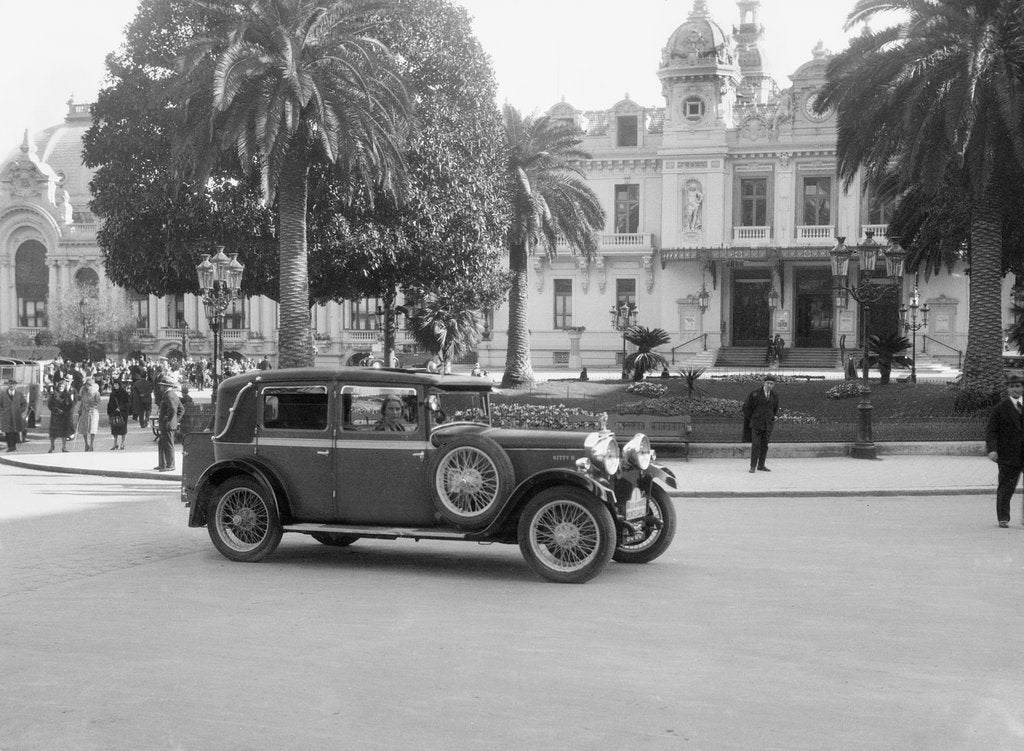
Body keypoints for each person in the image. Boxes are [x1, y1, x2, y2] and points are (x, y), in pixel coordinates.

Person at [985, 374, 1024, 528]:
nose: (1015, 389)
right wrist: (992, 450)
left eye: (1018, 386)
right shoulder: (1000, 408)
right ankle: (1003, 518)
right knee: (1006, 487)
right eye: (1012, 387)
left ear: (1022, 388)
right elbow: (991, 431)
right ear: (1008, 389)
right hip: (1008, 455)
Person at [742, 373, 779, 473]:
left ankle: (761, 465)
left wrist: (770, 418)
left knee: (764, 445)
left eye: (772, 384)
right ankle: (753, 466)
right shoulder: (755, 393)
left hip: (767, 425)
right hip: (757, 424)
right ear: (764, 383)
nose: (769, 385)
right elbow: (746, 408)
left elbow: (774, 409)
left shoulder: (775, 395)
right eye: (768, 383)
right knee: (756, 445)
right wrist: (753, 418)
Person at [155, 374, 185, 472]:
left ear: (166, 386)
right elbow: (181, 409)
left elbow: (173, 410)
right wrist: (175, 420)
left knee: (168, 445)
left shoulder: (169, 395)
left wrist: (168, 419)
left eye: (161, 385)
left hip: (167, 425)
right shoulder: (171, 394)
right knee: (162, 443)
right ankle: (163, 464)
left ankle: (170, 465)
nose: (160, 387)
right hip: (168, 424)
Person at [47, 377, 76, 453]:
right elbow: (49, 405)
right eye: (60, 386)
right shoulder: (53, 395)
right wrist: (56, 410)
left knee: (64, 433)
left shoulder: (67, 394)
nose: (61, 388)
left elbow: (70, 405)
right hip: (55, 416)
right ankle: (52, 446)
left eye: (62, 386)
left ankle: (64, 447)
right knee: (53, 433)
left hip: (64, 416)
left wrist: (67, 411)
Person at [0, 378, 28, 452]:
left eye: (13, 384)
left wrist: (20, 411)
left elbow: (24, 404)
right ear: (8, 385)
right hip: (6, 416)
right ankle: (10, 446)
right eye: (10, 384)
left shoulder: (19, 394)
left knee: (15, 432)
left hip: (16, 416)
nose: (12, 385)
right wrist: (2, 411)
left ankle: (14, 446)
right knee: (8, 432)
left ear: (15, 385)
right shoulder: (3, 394)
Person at [106, 377, 131, 450]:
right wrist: (109, 412)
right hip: (114, 413)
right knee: (114, 429)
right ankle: (115, 443)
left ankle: (122, 443)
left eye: (116, 384)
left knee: (123, 428)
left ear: (120, 385)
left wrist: (121, 408)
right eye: (114, 384)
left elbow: (128, 403)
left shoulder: (124, 393)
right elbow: (110, 403)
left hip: (122, 413)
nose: (115, 386)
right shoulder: (112, 394)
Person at [78, 377, 101, 452]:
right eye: (86, 384)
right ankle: (86, 444)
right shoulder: (83, 391)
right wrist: (80, 409)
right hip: (84, 411)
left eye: (89, 384)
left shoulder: (96, 393)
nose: (87, 386)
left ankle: (91, 444)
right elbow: (82, 401)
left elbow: (97, 403)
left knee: (92, 428)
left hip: (93, 412)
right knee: (84, 428)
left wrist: (91, 407)